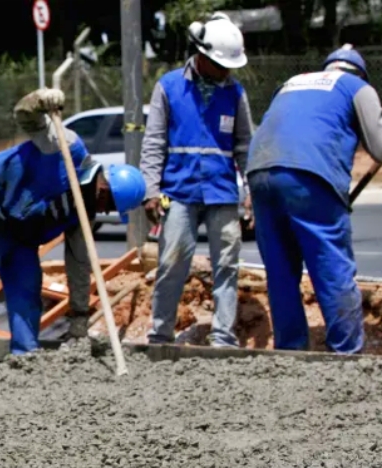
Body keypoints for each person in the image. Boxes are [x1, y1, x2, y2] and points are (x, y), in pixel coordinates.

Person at [0, 88, 146, 370]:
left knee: (27, 285)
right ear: (104, 187)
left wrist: (78, 316)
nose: (103, 210)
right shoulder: (67, 146)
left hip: (22, 229)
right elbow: (26, 117)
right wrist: (38, 101)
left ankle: (25, 358)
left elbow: (78, 263)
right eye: (106, 202)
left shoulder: (84, 212)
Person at [246, 46, 382, 354]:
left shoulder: (292, 82)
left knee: (281, 271)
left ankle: (290, 351)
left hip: (260, 172)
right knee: (332, 266)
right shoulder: (357, 87)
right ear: (359, 72)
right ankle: (345, 352)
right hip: (308, 174)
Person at [140, 12, 253, 348]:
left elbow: (245, 146)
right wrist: (150, 189)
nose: (226, 71)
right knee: (171, 264)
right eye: (221, 64)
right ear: (202, 56)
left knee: (227, 266)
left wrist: (250, 191)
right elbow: (154, 142)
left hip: (221, 192)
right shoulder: (170, 86)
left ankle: (223, 336)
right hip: (180, 191)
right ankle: (160, 335)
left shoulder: (235, 92)